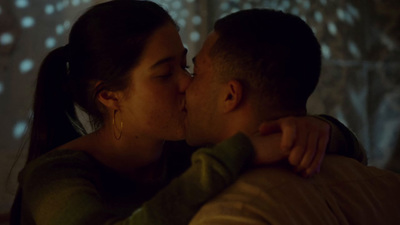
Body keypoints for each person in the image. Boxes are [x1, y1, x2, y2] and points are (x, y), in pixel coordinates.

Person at [9, 1, 365, 225]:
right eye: (165, 73)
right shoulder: (53, 178)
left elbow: (354, 153)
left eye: (185, 65)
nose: (187, 83)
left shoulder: (187, 150)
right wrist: (244, 150)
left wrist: (317, 129)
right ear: (110, 96)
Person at [184, 8, 400, 225]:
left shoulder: (231, 212)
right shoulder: (382, 185)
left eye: (195, 73)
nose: (185, 85)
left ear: (230, 95)